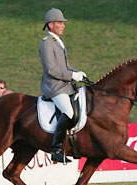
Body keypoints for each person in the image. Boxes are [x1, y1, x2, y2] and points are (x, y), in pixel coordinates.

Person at [40, 8, 87, 163]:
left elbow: (64, 67)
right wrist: (71, 75)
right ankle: (57, 149)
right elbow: (52, 70)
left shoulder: (57, 42)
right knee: (68, 111)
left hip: (64, 85)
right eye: (60, 23)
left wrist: (77, 72)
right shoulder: (47, 43)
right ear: (51, 25)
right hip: (54, 87)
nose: (63, 25)